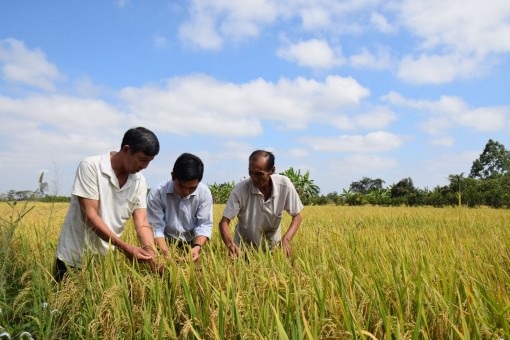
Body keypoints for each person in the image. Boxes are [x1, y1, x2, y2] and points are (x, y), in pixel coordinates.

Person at [54, 127, 160, 282]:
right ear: (126, 149)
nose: (144, 166)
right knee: (61, 305)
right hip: (74, 259)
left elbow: (142, 221)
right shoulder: (91, 167)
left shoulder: (139, 181)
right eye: (142, 159)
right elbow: (90, 216)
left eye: (149, 162)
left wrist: (151, 253)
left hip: (106, 263)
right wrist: (125, 248)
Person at [219, 150, 303, 257]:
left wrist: (286, 239)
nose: (253, 178)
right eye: (251, 172)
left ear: (271, 170)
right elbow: (224, 222)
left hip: (272, 250)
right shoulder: (240, 190)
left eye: (259, 174)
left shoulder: (284, 185)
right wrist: (231, 246)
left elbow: (297, 216)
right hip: (243, 250)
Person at [147, 153, 213, 262]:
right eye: (181, 186)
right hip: (164, 242)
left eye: (192, 188)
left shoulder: (204, 193)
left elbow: (204, 225)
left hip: (192, 243)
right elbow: (156, 228)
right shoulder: (157, 193)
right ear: (173, 176)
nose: (186, 192)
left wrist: (197, 247)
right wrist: (166, 254)